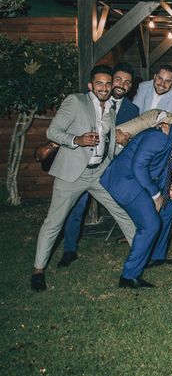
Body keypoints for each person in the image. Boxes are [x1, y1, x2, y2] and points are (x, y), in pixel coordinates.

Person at [30, 65, 136, 292]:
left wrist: (119, 144)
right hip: (72, 174)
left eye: (108, 84)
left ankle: (140, 258)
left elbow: (108, 142)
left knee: (123, 211)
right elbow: (53, 132)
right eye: (99, 83)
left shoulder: (111, 110)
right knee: (54, 222)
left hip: (98, 172)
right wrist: (76, 140)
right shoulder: (76, 102)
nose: (105, 88)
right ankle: (38, 270)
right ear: (91, 85)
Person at [100, 110, 172, 289]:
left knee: (169, 209)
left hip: (138, 180)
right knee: (150, 224)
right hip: (125, 180)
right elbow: (138, 166)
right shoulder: (159, 137)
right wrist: (156, 195)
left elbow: (161, 171)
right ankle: (128, 276)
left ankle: (157, 257)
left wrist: (168, 189)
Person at [58, 62, 140, 268]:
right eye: (119, 80)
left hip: (113, 166)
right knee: (76, 208)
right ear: (110, 82)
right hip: (83, 165)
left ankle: (136, 248)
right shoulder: (87, 102)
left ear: (130, 87)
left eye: (127, 82)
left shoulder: (133, 109)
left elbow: (134, 137)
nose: (122, 85)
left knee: (123, 204)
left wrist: (126, 141)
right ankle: (69, 249)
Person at [133, 64, 172, 250]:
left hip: (166, 150)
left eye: (168, 81)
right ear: (155, 76)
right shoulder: (143, 87)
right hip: (141, 145)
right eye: (160, 79)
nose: (162, 84)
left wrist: (166, 124)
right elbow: (135, 115)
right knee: (140, 189)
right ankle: (139, 229)